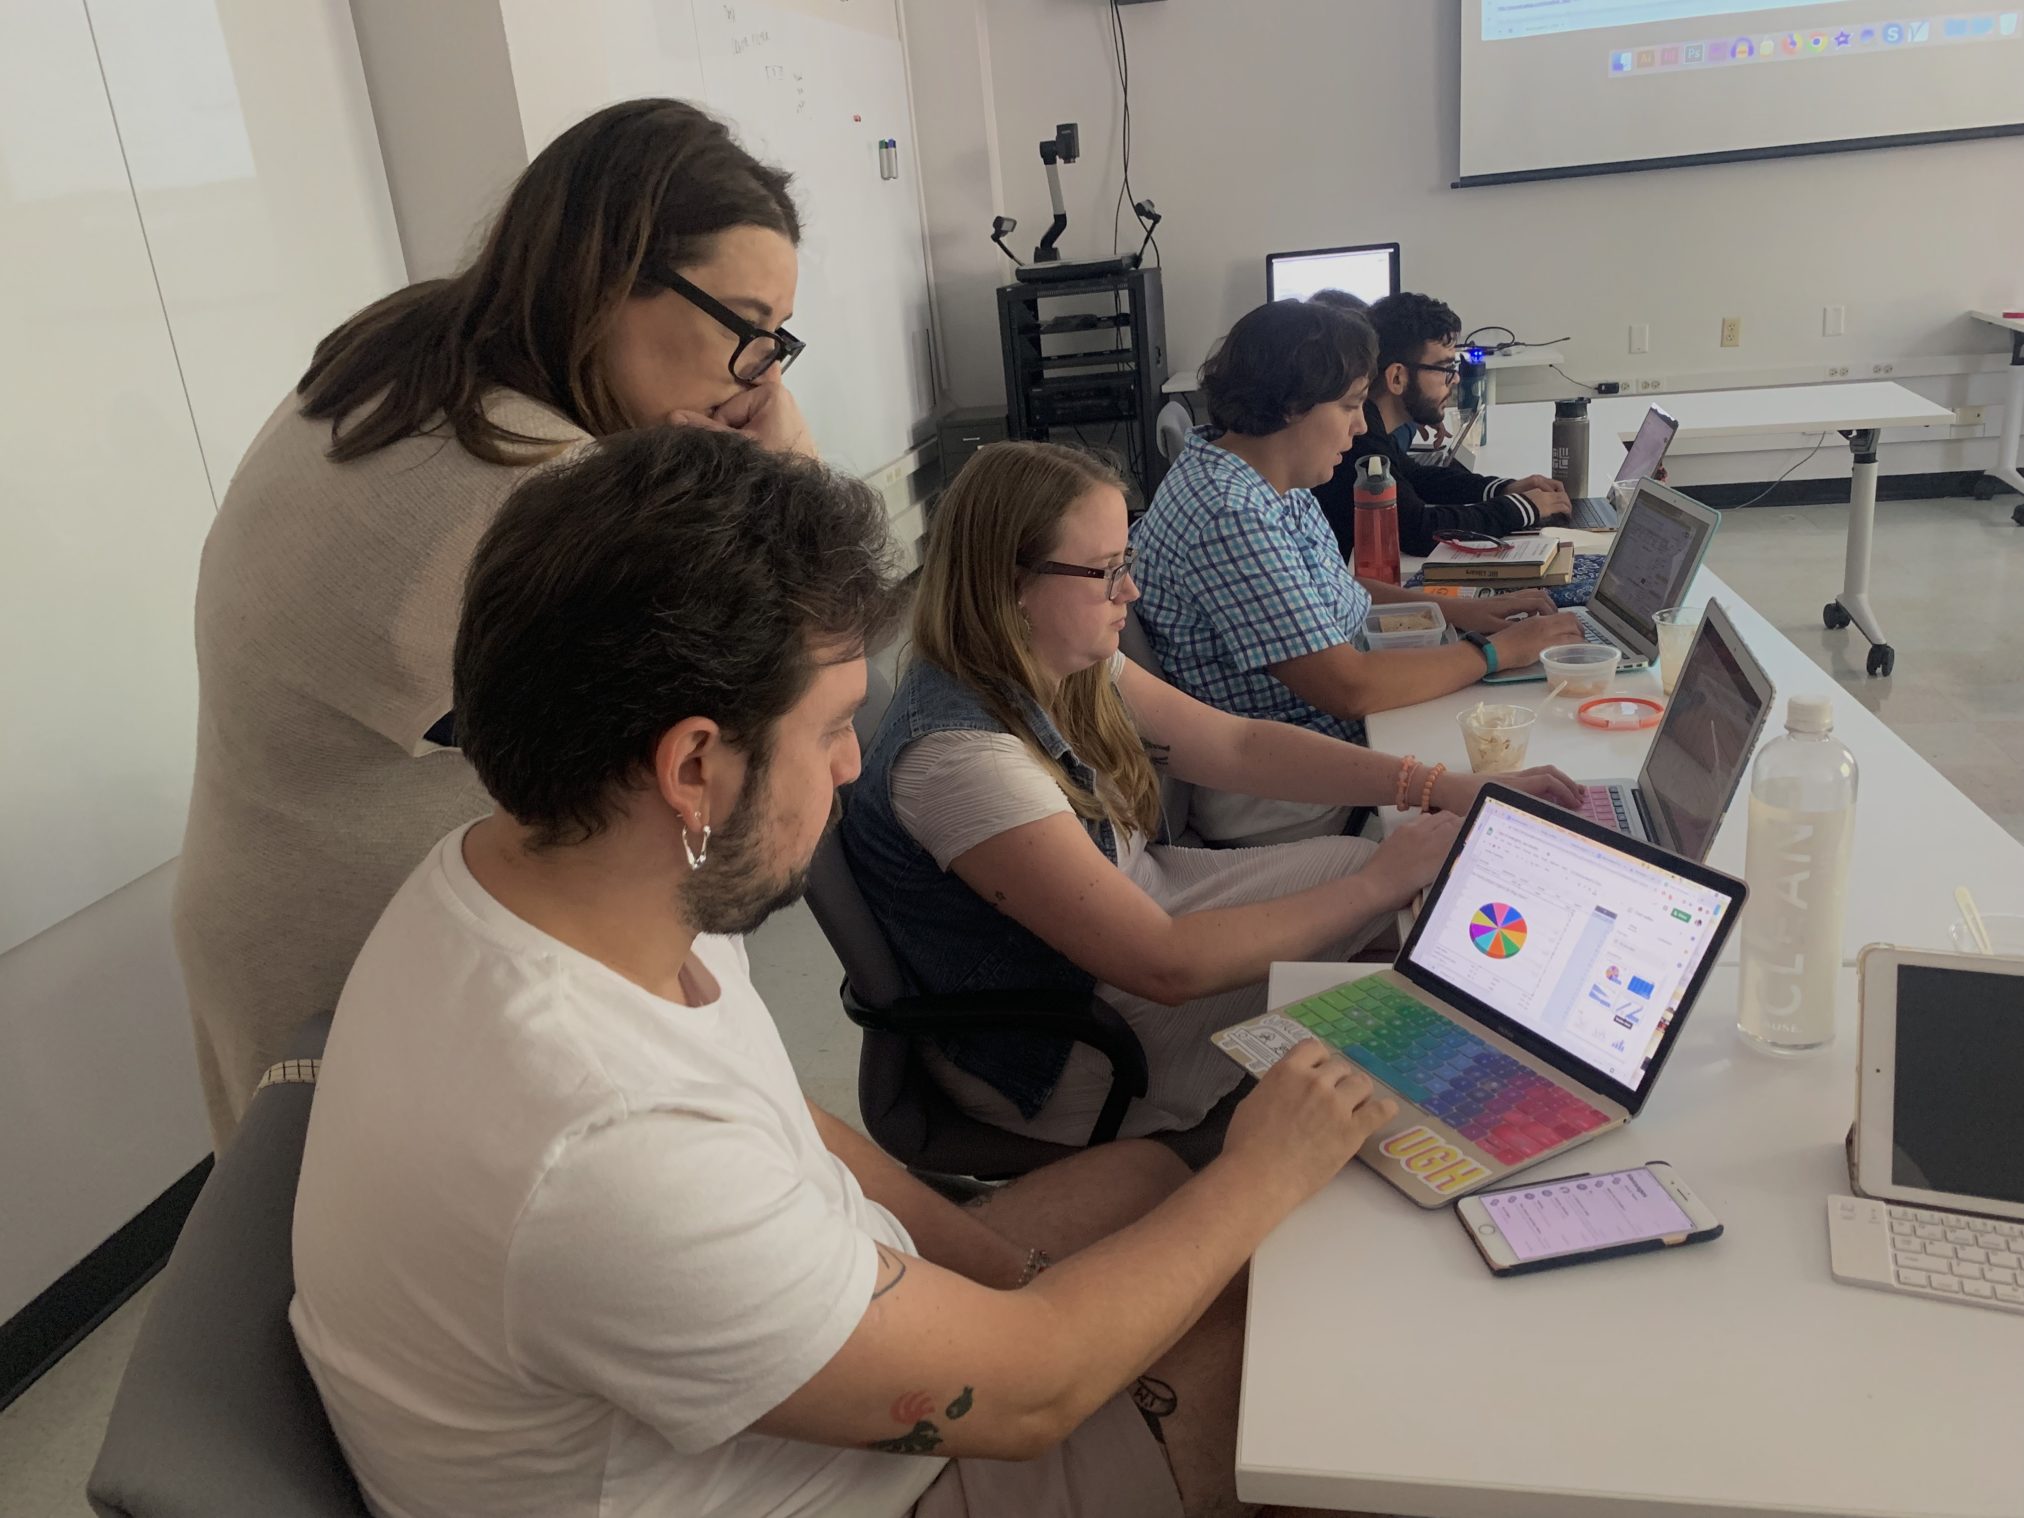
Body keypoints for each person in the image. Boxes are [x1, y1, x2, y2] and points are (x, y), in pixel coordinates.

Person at [292, 424, 1407, 1518]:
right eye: (828, 726)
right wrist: (1264, 1168)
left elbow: (778, 1113)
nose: (853, 763)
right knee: (1305, 1333)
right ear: (690, 766)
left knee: (1161, 1191)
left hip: (799, 1339)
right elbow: (1031, 1396)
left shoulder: (569, 872)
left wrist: (987, 1263)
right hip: (872, 1483)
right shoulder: (597, 1145)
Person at [175, 99, 819, 1147]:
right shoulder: (528, 476)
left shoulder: (415, 351)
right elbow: (795, 649)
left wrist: (750, 403)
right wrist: (781, 448)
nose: (759, 375)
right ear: (612, 281)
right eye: (746, 330)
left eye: (776, 342)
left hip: (257, 881)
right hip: (355, 931)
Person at [840, 441, 1579, 1149]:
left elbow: (1236, 745)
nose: (1130, 588)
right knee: (1393, 888)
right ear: (1012, 583)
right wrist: (1387, 877)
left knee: (1392, 880)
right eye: (1105, 571)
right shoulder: (960, 760)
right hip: (1072, 1050)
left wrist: (1440, 786)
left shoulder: (1059, 656)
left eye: (1125, 562)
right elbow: (1166, 965)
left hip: (1137, 925)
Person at [1131, 299, 1584, 841]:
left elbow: (1335, 586)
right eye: (1350, 405)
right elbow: (1348, 687)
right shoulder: (1230, 514)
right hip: (1288, 786)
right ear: (1293, 405)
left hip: (1335, 733)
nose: (1361, 425)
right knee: (1535, 792)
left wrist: (1470, 612)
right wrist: (1495, 652)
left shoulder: (1256, 473)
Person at [1313, 290, 1572, 559]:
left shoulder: (1374, 427)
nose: (1456, 379)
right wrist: (1522, 508)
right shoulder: (1360, 436)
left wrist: (1503, 489)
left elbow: (1416, 477)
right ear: (1398, 378)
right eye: (1446, 368)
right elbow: (1417, 530)